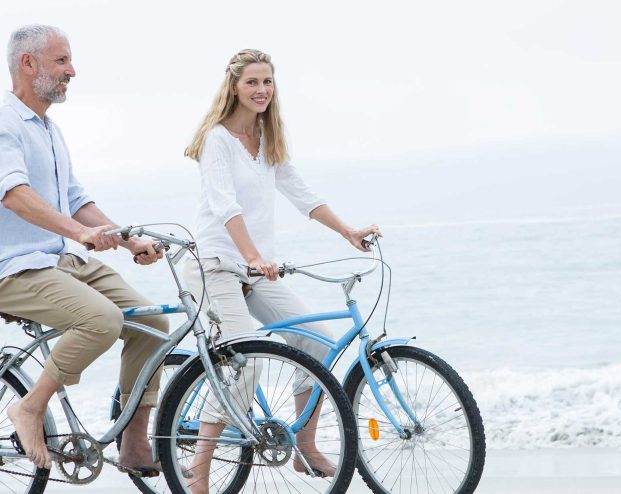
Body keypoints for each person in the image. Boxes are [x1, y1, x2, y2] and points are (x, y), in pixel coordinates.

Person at [182, 48, 380, 493]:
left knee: (314, 343)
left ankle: (303, 447)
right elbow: (223, 205)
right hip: (216, 266)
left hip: (254, 270)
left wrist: (348, 231)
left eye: (267, 82)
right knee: (243, 363)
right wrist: (252, 255)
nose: (261, 90)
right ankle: (199, 473)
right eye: (252, 82)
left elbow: (302, 194)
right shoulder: (217, 138)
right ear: (234, 86)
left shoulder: (267, 140)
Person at [0, 24, 168, 473]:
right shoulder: (4, 120)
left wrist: (130, 238)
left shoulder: (49, 130)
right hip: (16, 269)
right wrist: (79, 233)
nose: (72, 71)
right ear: (28, 63)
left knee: (152, 323)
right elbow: (13, 193)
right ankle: (30, 407)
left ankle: (133, 441)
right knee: (102, 321)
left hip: (64, 262)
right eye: (61, 61)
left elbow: (77, 200)